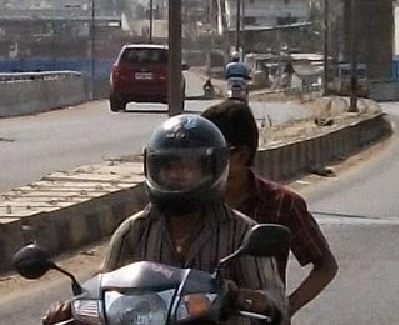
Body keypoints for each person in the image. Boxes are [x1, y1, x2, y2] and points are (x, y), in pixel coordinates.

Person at [42, 114, 287, 325]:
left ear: (214, 168)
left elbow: (275, 299)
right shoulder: (133, 232)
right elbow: (103, 291)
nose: (177, 175)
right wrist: (73, 308)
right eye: (168, 166)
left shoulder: (242, 233)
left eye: (190, 167)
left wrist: (258, 301)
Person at [202, 100, 338, 317]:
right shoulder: (193, 200)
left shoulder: (281, 204)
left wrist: (286, 308)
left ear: (241, 155)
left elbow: (325, 265)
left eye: (212, 154)